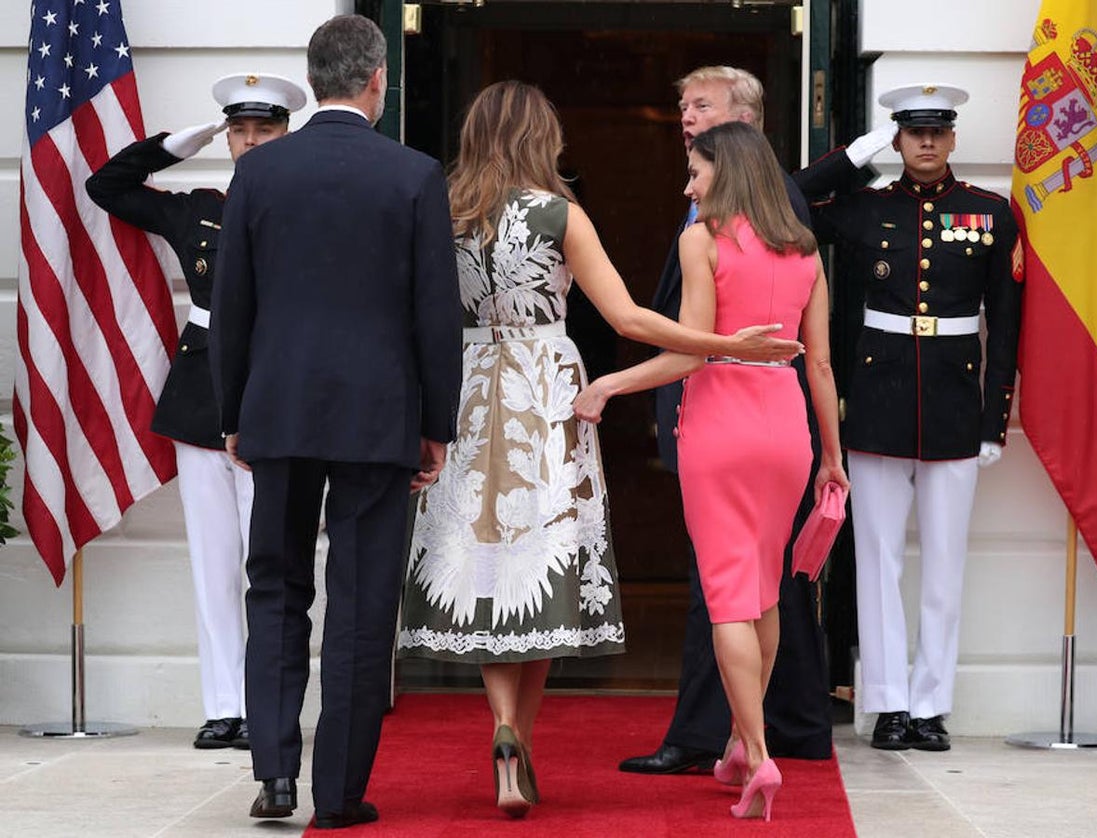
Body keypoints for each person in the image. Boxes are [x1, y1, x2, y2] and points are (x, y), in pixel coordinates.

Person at [395, 80, 795, 819]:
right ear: (537, 138)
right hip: (544, 389)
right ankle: (524, 737)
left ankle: (504, 728)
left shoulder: (441, 210)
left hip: (468, 386)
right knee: (545, 563)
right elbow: (630, 317)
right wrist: (717, 345)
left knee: (485, 563)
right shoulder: (559, 213)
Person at [209, 15, 462, 829]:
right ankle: (341, 794)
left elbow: (231, 307)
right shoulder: (415, 174)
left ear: (314, 80)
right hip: (379, 418)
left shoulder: (259, 173)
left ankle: (276, 775)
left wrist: (233, 414)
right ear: (378, 80)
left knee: (276, 589)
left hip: (277, 409)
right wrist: (436, 424)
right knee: (360, 605)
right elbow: (435, 317)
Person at [575, 121, 849, 820]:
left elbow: (693, 351)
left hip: (721, 422)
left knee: (727, 592)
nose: (688, 185)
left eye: (695, 171)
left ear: (725, 172)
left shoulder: (702, 239)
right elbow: (819, 363)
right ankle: (736, 739)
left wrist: (611, 384)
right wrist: (832, 456)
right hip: (786, 424)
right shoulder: (804, 249)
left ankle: (759, 758)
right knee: (761, 589)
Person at [793, 84, 1023, 751]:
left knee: (946, 565)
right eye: (912, 133)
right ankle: (888, 705)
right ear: (897, 140)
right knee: (878, 559)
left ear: (952, 139)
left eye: (937, 132)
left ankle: (930, 707)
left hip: (955, 403)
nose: (925, 143)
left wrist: (992, 421)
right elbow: (785, 201)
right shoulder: (863, 208)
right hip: (878, 401)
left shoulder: (989, 213)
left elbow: (1004, 327)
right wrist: (850, 158)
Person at [86, 71, 306, 751]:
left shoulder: (308, 210)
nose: (248, 141)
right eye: (238, 130)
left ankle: (270, 707)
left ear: (286, 134)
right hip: (202, 396)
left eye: (262, 129)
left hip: (273, 393)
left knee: (268, 561)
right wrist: (181, 143)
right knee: (214, 562)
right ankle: (224, 706)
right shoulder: (199, 209)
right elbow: (107, 188)